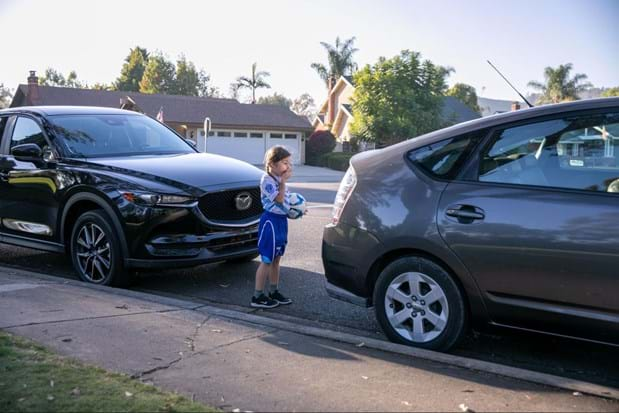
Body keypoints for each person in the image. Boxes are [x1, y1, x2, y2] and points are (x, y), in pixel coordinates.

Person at [251, 146, 295, 308]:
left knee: (277, 259)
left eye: (289, 163)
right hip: (270, 222)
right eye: (284, 163)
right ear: (272, 164)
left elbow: (286, 202)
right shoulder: (267, 180)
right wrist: (283, 183)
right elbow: (278, 199)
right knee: (267, 260)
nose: (288, 166)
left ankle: (273, 291)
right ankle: (257, 296)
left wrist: (296, 210)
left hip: (281, 221)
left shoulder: (279, 180)